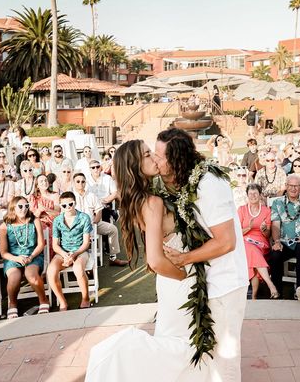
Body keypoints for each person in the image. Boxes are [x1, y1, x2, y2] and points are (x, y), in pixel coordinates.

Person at [86, 139, 216, 381]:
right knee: (184, 347)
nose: (154, 158)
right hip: (177, 277)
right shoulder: (153, 202)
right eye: (147, 155)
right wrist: (186, 278)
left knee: (176, 341)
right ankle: (117, 356)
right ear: (135, 166)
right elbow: (155, 260)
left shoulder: (142, 199)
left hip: (168, 281)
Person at [157, 128, 248, 380]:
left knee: (226, 358)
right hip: (211, 282)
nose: (156, 161)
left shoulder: (210, 185)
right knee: (210, 357)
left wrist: (184, 258)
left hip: (226, 284)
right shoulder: (190, 182)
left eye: (159, 155)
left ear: (176, 159)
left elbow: (226, 242)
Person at [269, 174, 300, 301]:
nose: (293, 188)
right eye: (290, 186)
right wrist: (276, 241)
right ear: (286, 186)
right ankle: (277, 291)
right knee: (275, 254)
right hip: (284, 242)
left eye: (296, 186)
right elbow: (275, 225)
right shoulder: (277, 203)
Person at [0, 196, 50, 319]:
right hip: (13, 258)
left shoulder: (35, 221)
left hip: (33, 255)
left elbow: (41, 244)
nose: (24, 209)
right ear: (13, 208)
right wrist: (17, 259)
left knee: (30, 274)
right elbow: (4, 253)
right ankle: (13, 304)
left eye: (26, 206)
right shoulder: (4, 226)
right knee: (13, 278)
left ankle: (43, 300)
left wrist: (31, 256)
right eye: (20, 206)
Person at [48, 191, 93, 310]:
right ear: (60, 206)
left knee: (78, 268)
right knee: (51, 271)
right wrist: (65, 255)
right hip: (63, 252)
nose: (68, 207)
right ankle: (62, 302)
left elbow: (86, 243)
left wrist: (75, 254)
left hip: (80, 251)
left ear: (75, 203)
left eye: (70, 204)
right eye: (64, 205)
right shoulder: (57, 220)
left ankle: (85, 298)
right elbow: (55, 245)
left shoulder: (84, 217)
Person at [238, 184, 278, 299]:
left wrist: (264, 229)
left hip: (261, 242)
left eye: (255, 193)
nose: (253, 196)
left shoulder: (266, 211)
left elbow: (268, 235)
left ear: (260, 195)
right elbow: (237, 233)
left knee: (252, 251)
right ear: (247, 195)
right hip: (245, 240)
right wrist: (249, 228)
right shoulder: (241, 210)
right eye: (250, 194)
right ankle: (268, 286)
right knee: (250, 250)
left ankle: (255, 295)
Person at [85, 160, 127, 266]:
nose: (95, 169)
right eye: (92, 167)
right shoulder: (85, 180)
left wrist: (105, 200)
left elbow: (115, 193)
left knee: (105, 214)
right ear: (89, 169)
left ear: (100, 167)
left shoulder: (107, 178)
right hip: (90, 210)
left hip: (104, 205)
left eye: (97, 167)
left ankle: (111, 254)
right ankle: (94, 253)